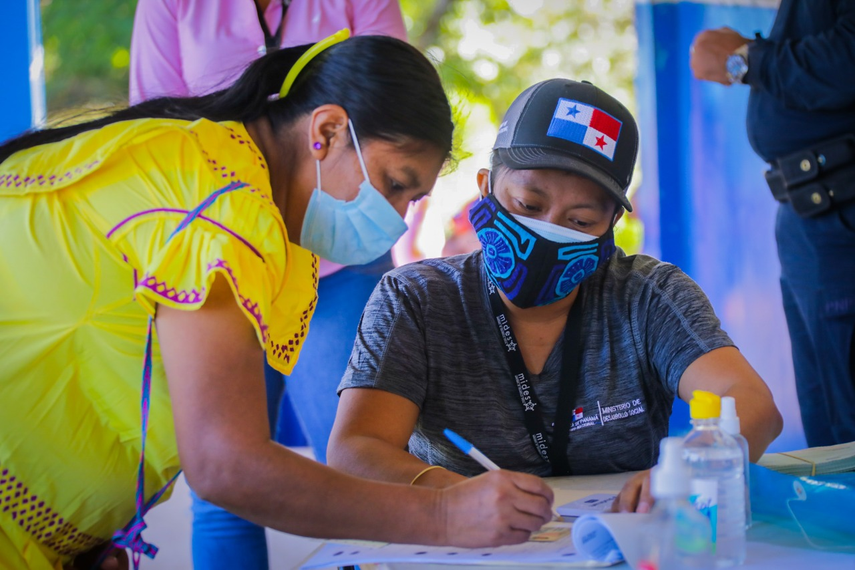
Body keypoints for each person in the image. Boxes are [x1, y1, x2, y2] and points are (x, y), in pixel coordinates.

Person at [0, 34, 556, 570]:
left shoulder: (216, 172)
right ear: (328, 131)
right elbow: (225, 464)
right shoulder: (220, 202)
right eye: (392, 184)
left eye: (412, 201)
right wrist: (443, 514)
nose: (395, 221)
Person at [328, 78, 784, 513]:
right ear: (485, 187)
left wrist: (686, 469)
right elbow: (356, 449)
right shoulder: (416, 298)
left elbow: (751, 404)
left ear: (610, 228)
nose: (549, 230)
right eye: (528, 205)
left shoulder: (647, 295)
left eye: (581, 221)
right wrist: (454, 499)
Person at [130, 3, 410, 567]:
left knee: (360, 471)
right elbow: (155, 132)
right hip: (222, 266)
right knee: (226, 490)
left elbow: (395, 113)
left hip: (340, 262)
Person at [690, 0, 855, 446]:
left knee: (848, 427)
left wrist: (744, 59)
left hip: (842, 215)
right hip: (809, 211)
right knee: (830, 435)